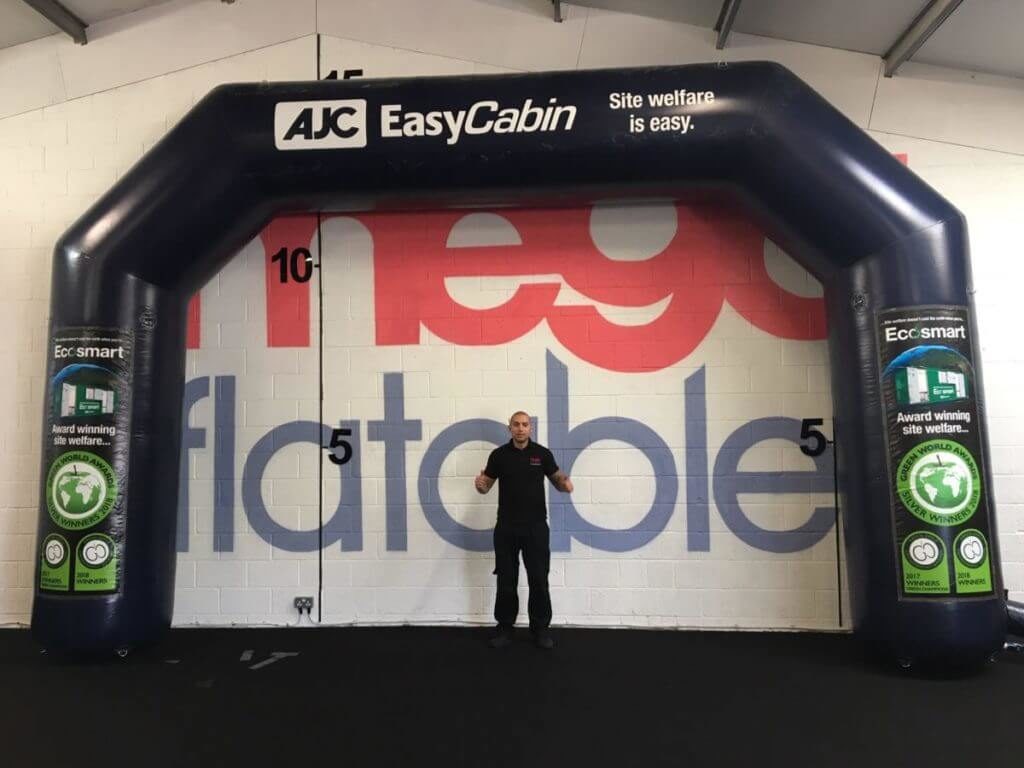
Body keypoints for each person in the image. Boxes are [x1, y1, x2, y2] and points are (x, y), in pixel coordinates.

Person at [474, 411, 573, 649]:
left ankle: (540, 630)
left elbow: (557, 478)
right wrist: (480, 485)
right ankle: (505, 629)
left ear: (531, 428)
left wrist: (565, 484)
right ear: (509, 428)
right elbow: (485, 486)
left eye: (525, 424)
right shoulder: (499, 455)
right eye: (516, 424)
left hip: (536, 528)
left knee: (539, 580)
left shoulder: (542, 454)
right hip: (506, 528)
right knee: (506, 580)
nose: (520, 428)